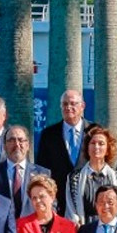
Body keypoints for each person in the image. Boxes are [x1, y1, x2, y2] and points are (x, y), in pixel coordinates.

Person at [35, 89, 90, 217]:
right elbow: (42, 170)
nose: (68, 107)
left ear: (82, 106)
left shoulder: (94, 132)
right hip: (58, 204)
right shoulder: (48, 134)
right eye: (64, 104)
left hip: (88, 204)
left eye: (73, 103)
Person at [65, 126, 117, 224]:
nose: (96, 147)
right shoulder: (74, 178)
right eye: (93, 143)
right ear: (87, 147)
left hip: (110, 231)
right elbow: (70, 210)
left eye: (101, 144)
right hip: (83, 230)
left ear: (107, 149)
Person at [0, 125, 49, 218]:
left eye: (21, 140)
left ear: (28, 145)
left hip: (33, 229)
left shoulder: (43, 173)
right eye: (11, 140)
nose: (17, 144)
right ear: (4, 146)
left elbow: (51, 205)